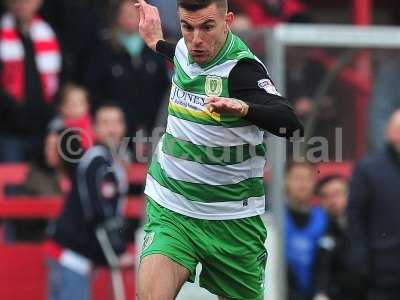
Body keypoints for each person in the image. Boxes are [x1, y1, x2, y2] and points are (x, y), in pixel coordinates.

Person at [134, 0, 303, 299]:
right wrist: (156, 42)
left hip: (231, 221)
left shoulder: (243, 70)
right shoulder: (187, 49)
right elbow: (180, 51)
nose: (196, 39)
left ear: (228, 21)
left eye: (207, 27)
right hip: (173, 208)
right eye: (188, 27)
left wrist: (246, 108)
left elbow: (290, 123)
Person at [45, 104, 130, 300]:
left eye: (117, 122)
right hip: (71, 256)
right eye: (106, 123)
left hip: (76, 257)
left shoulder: (108, 161)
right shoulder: (96, 161)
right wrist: (118, 250)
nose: (112, 129)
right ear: (94, 128)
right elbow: (100, 211)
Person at [84, 0, 170, 138]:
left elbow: (163, 87)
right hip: (115, 132)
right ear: (116, 16)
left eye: (133, 13)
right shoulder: (104, 49)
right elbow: (93, 89)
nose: (128, 18)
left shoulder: (154, 48)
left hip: (152, 128)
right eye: (124, 13)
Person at [347, 109, 400, 300]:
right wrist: (360, 260)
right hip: (381, 274)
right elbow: (355, 216)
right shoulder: (369, 169)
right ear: (390, 133)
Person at [0, 0, 61, 162]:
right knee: (12, 183)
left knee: (40, 185)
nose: (22, 4)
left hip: (43, 129)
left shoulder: (48, 32)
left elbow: (59, 78)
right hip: (8, 130)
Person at [313, 175, 361, 300]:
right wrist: (321, 292)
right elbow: (323, 267)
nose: (332, 201)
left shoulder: (366, 224)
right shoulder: (321, 228)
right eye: (325, 196)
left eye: (337, 194)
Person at [284, 162, 327, 300]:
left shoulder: (324, 219)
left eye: (307, 178)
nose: (302, 184)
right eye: (297, 178)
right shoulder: (273, 218)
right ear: (285, 181)